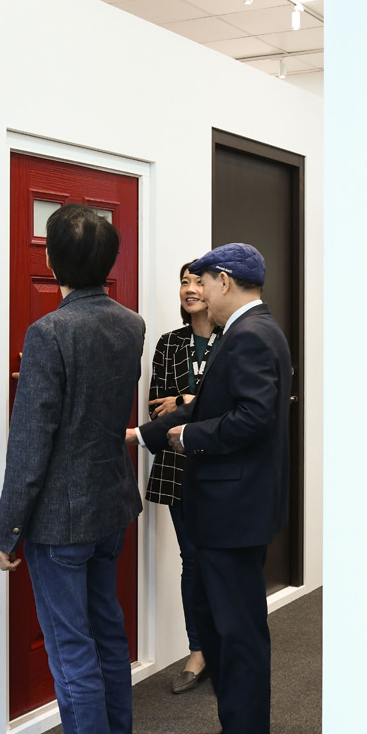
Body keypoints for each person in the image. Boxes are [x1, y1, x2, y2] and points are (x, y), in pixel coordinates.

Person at [0, 202, 146, 734]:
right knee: (107, 634)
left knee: (71, 649)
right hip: (110, 504)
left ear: (53, 262)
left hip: (61, 518)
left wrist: (7, 530)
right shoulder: (131, 324)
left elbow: (31, 444)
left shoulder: (49, 333)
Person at [133, 243, 291, 734]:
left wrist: (187, 437)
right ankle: (237, 733)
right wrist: (144, 435)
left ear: (224, 281)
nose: (196, 291)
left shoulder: (251, 336)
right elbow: (207, 404)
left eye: (202, 281)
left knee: (238, 634)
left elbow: (250, 417)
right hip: (229, 510)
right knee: (224, 626)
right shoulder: (248, 331)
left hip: (234, 512)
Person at [145, 263, 220, 694]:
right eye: (184, 282)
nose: (189, 289)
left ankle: (224, 644)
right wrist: (184, 401)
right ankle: (198, 650)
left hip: (222, 467)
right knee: (191, 559)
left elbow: (233, 409)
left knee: (221, 560)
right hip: (177, 467)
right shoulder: (169, 343)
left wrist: (186, 401)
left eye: (197, 282)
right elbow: (157, 406)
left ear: (217, 287)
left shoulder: (232, 340)